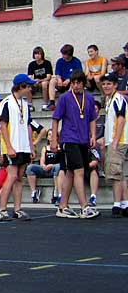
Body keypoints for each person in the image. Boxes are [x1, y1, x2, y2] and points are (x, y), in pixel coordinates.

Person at [51, 70, 100, 218]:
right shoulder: (65, 98)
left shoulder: (89, 97)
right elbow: (55, 119)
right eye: (74, 83)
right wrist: (54, 139)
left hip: (83, 139)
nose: (76, 85)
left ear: (83, 83)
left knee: (71, 173)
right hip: (69, 139)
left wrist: (93, 135)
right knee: (79, 171)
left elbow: (92, 118)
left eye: (79, 83)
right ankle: (84, 207)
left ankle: (62, 206)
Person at [0, 74, 36, 221]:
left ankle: (17, 209)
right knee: (11, 176)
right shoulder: (7, 102)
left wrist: (31, 147)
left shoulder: (25, 104)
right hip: (13, 145)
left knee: (19, 178)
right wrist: (9, 147)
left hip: (23, 145)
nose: (30, 89)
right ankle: (2, 209)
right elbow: (3, 125)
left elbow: (28, 126)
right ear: (21, 86)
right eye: (28, 86)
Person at [101, 72, 128, 216]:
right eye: (104, 84)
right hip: (112, 140)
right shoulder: (109, 99)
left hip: (117, 141)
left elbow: (121, 119)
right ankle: (125, 203)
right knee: (120, 174)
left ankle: (117, 204)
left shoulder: (118, 99)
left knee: (115, 174)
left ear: (115, 85)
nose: (106, 86)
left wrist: (116, 141)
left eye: (109, 84)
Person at [26, 131, 64, 205]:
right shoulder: (45, 148)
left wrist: (51, 165)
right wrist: (43, 166)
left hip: (55, 170)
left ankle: (56, 192)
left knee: (58, 167)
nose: (51, 136)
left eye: (53, 135)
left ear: (57, 137)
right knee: (30, 168)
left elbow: (62, 163)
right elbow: (42, 161)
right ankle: (34, 192)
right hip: (45, 169)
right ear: (47, 137)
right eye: (49, 135)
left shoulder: (60, 148)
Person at [46, 44, 83, 111]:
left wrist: (69, 80)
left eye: (64, 54)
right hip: (62, 81)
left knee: (74, 82)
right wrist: (59, 79)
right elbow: (57, 73)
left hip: (72, 81)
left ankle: (67, 100)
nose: (63, 56)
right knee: (52, 81)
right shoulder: (60, 61)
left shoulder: (76, 62)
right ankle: (52, 102)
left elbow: (79, 74)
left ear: (69, 54)